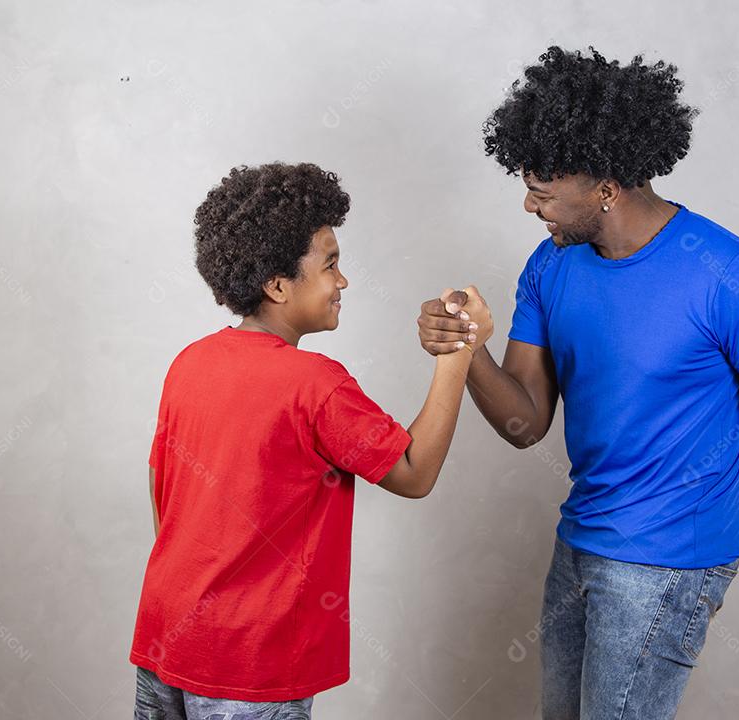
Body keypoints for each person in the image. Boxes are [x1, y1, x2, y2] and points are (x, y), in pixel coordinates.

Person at [417, 46, 739, 718]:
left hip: (668, 564)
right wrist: (470, 353)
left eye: (544, 191)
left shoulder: (732, 275)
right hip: (578, 545)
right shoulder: (551, 267)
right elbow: (526, 424)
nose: (529, 205)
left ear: (606, 187)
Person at [130, 162, 492, 719]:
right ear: (277, 285)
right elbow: (415, 472)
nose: (343, 281)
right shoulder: (314, 383)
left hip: (165, 638)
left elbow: (162, 492)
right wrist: (458, 353)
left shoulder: (189, 362)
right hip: (251, 665)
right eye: (330, 265)